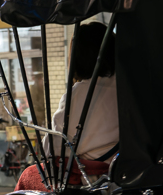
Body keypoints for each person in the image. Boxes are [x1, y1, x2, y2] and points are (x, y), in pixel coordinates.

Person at [49, 22, 118, 162]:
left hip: (94, 176)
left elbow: (54, 148)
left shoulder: (76, 95)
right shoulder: (130, 87)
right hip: (132, 169)